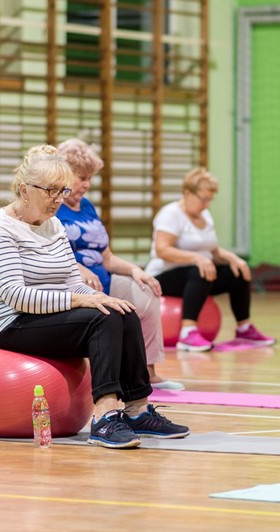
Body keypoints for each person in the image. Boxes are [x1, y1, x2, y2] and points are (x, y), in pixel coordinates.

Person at [0, 144, 190, 449]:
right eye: (51, 191)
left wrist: (97, 297)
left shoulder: (55, 226)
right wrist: (82, 301)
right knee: (100, 320)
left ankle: (138, 411)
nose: (58, 200)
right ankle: (103, 417)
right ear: (25, 189)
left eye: (62, 191)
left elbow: (73, 283)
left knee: (121, 310)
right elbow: (15, 297)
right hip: (7, 323)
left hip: (42, 316)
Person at [55, 138, 183, 390]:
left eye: (90, 178)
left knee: (147, 293)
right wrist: (79, 269)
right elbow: (51, 254)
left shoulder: (88, 207)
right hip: (75, 286)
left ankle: (148, 372)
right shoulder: (54, 208)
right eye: (81, 177)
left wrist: (136, 270)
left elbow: (107, 257)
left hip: (104, 280)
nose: (86, 184)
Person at [145, 167, 275, 351]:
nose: (206, 205)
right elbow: (162, 250)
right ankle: (187, 333)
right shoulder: (171, 214)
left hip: (198, 278)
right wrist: (197, 258)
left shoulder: (204, 214)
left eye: (210, 200)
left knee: (237, 272)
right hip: (161, 278)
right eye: (203, 199)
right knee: (200, 269)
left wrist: (233, 258)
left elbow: (211, 249)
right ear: (187, 193)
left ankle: (244, 328)